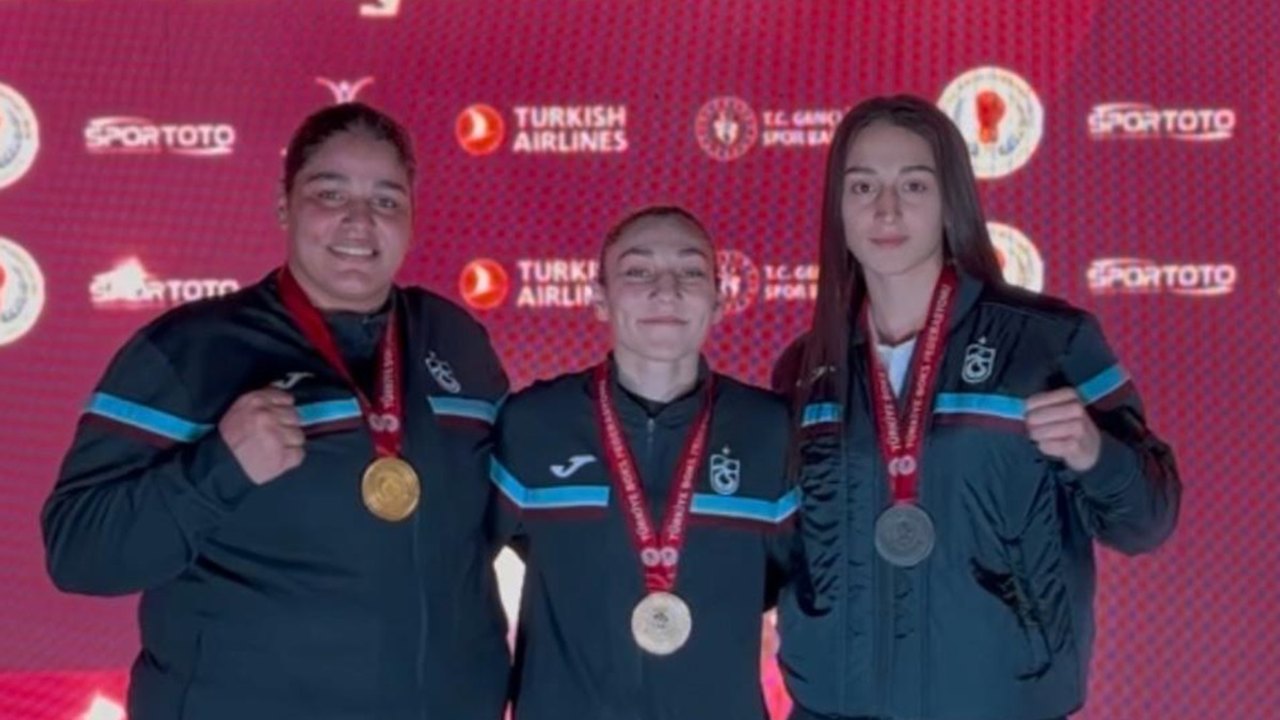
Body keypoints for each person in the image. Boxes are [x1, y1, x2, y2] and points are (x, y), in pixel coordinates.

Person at [41, 102, 510, 720]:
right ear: (284, 206)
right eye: (329, 194)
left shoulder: (455, 341)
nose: (359, 221)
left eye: (386, 200)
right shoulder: (192, 349)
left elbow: (521, 514)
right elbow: (79, 553)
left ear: (411, 220)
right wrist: (217, 469)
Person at [771, 95, 1182, 720]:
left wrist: (1095, 454)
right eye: (863, 187)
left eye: (913, 185)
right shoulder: (805, 367)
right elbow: (780, 552)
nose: (886, 209)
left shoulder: (1049, 342)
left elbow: (1148, 521)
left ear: (950, 200)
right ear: (839, 208)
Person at [489, 206, 796, 720]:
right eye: (638, 271)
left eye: (690, 271)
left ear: (719, 299)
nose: (666, 290)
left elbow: (800, 590)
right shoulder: (533, 425)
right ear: (599, 298)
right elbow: (454, 574)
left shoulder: (771, 431)